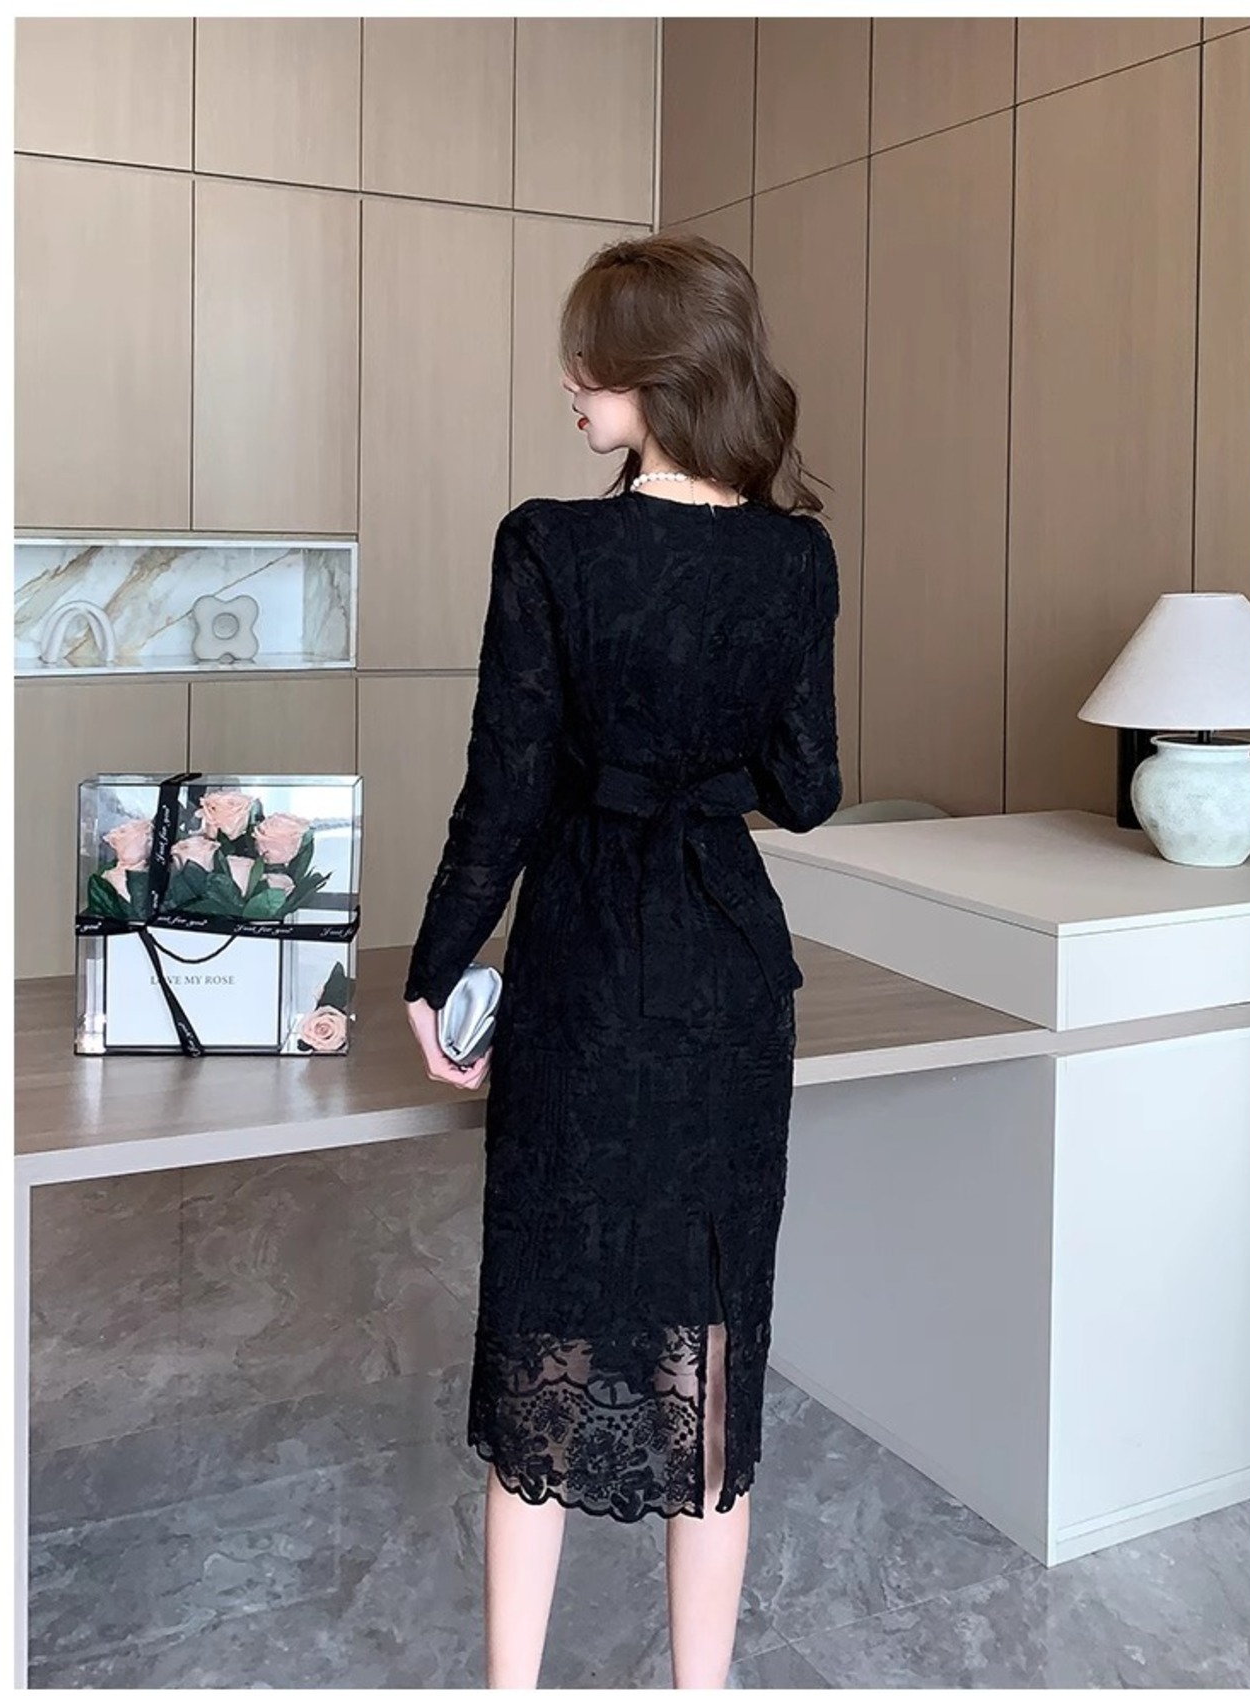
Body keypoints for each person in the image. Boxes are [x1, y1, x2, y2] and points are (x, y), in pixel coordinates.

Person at [403, 231, 841, 1689]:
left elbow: (504, 790)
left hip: (586, 966)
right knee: (711, 1341)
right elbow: (811, 786)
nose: (570, 383)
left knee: (549, 1319)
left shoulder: (551, 544)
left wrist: (436, 971)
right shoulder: (796, 557)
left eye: (586, 361)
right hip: (727, 972)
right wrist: (703, 761)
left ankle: (512, 1689)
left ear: (649, 375)